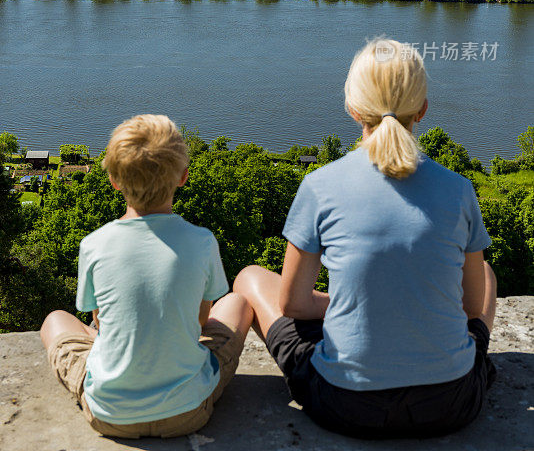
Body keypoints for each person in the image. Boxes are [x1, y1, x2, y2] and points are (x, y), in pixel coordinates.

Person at [234, 38, 497, 439]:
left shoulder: (320, 185)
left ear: (352, 109)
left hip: (346, 404)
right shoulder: (459, 190)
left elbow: (293, 303)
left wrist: (352, 307)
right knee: (486, 272)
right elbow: (470, 306)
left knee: (251, 277)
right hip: (449, 402)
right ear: (423, 110)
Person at [40, 114, 253, 439]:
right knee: (237, 302)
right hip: (188, 412)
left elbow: (99, 324)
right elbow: (199, 324)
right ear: (183, 177)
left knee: (55, 319)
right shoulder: (202, 240)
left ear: (114, 180)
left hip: (109, 415)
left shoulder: (94, 244)